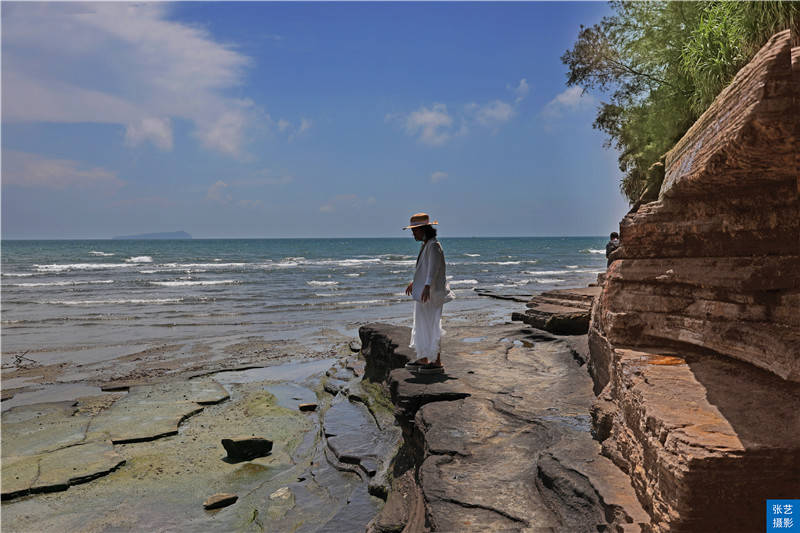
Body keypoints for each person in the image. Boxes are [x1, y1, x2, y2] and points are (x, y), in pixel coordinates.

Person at [403, 213, 454, 374]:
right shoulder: (427, 245)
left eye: (415, 231)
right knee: (422, 323)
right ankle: (424, 358)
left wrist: (426, 285)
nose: (413, 234)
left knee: (432, 324)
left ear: (423, 229)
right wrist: (415, 282)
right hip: (425, 291)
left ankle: (437, 362)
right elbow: (425, 269)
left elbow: (433, 268)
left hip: (431, 293)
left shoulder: (433, 245)